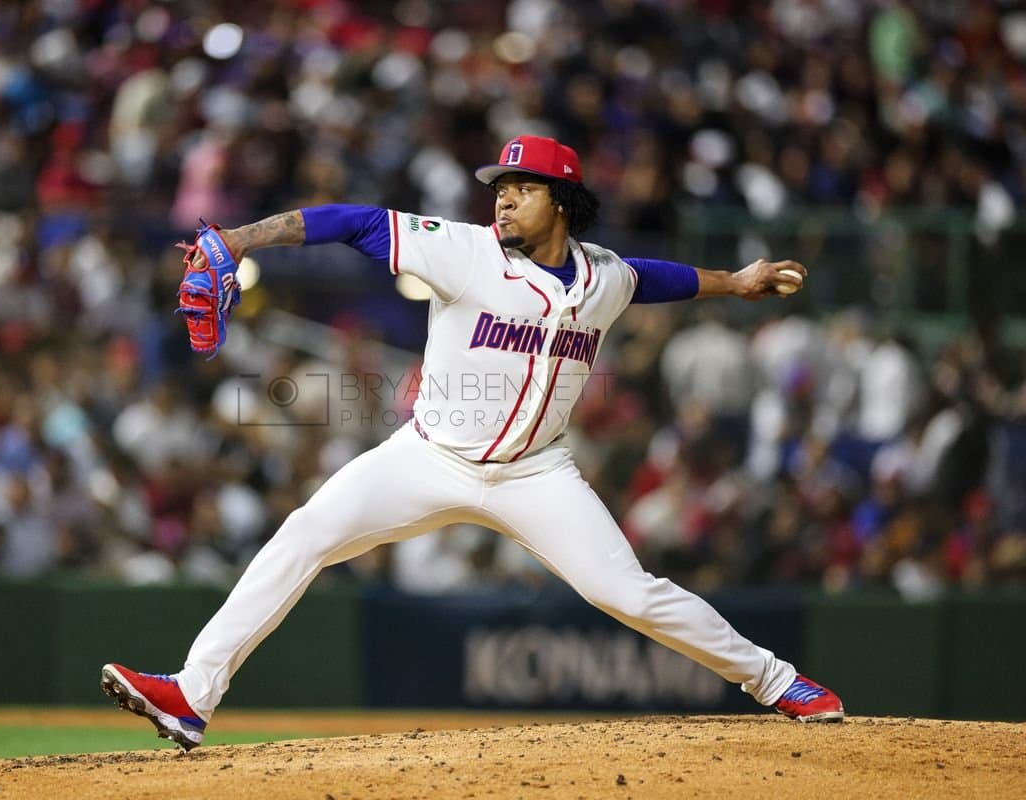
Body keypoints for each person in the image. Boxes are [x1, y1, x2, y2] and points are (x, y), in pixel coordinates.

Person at [101, 135, 843, 750]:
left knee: (631, 596)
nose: (503, 197)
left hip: (536, 475)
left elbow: (657, 279)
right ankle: (193, 693)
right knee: (305, 534)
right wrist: (239, 237)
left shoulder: (604, 277)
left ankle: (781, 684)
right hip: (426, 457)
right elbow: (356, 222)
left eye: (522, 186)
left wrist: (735, 281)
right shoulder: (461, 250)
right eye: (499, 186)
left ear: (562, 201)